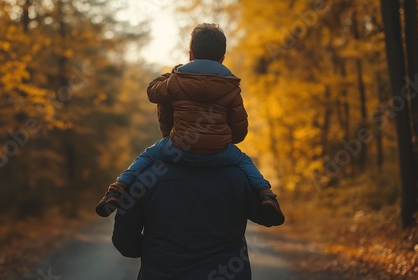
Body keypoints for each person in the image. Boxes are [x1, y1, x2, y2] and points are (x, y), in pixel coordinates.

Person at [96, 23, 284, 227]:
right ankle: (266, 195)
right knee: (245, 161)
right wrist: (222, 139)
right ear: (222, 58)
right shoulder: (231, 87)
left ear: (190, 54)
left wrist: (174, 73)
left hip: (179, 148)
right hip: (218, 153)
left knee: (148, 155)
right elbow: (240, 132)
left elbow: (152, 92)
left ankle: (116, 190)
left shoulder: (176, 81)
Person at [112, 163, 270, 279]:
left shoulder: (146, 177)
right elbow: (268, 217)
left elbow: (124, 241)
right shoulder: (239, 176)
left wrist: (155, 251)